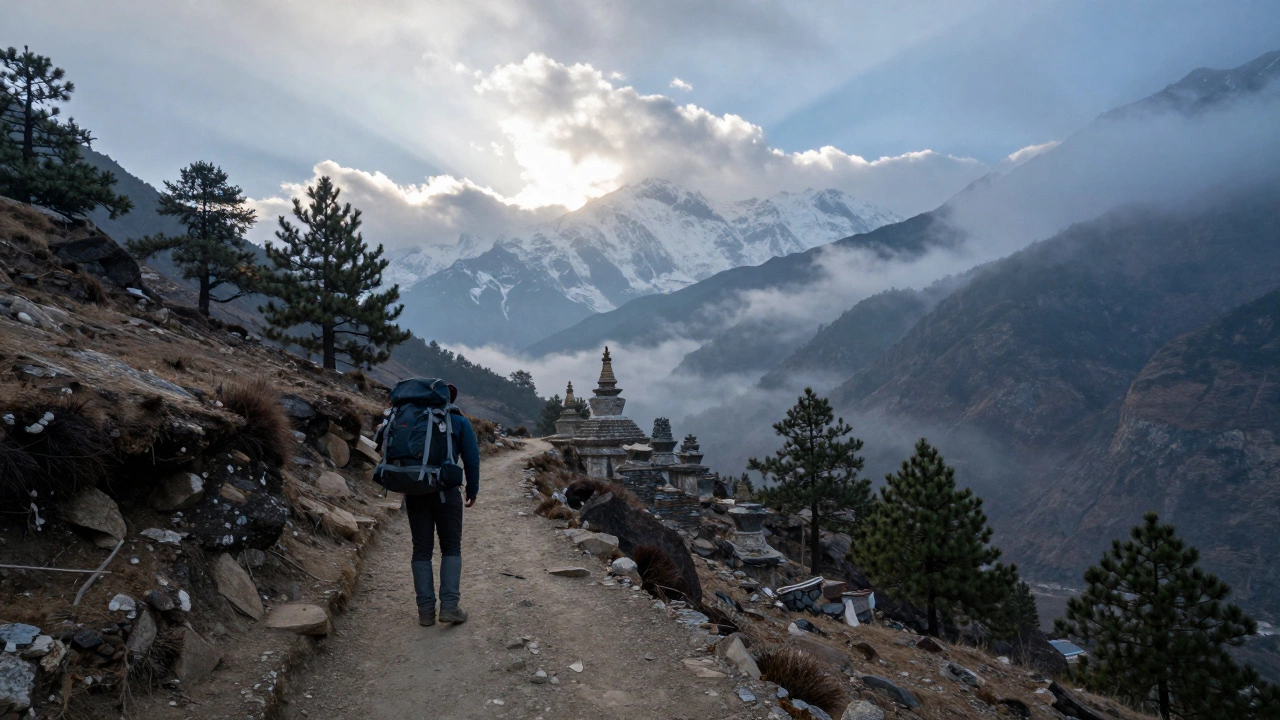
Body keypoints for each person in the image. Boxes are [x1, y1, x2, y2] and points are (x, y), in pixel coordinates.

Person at [379, 382, 481, 626]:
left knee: (421, 549)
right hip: (447, 492)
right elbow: (472, 458)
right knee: (451, 547)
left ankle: (425, 612)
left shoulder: (406, 416)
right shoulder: (458, 421)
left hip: (415, 489)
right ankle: (449, 606)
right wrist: (472, 489)